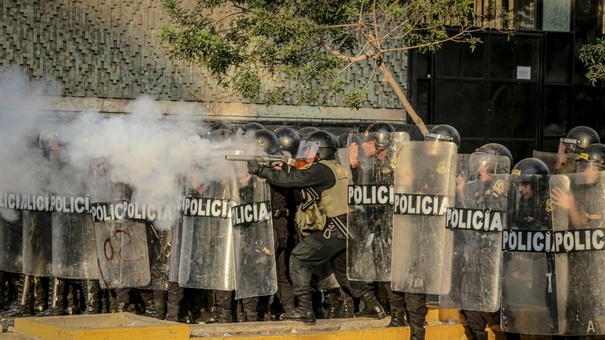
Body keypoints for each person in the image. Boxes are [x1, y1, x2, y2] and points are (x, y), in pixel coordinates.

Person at [247, 130, 386, 325]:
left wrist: (261, 171)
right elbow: (297, 176)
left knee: (298, 258)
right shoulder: (333, 167)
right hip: (350, 226)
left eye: (311, 149)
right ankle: (373, 306)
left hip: (339, 226)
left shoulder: (322, 169)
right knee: (343, 271)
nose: (307, 153)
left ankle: (305, 309)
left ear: (320, 151)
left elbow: (291, 181)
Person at [453, 142, 512, 340]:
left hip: (494, 257)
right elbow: (473, 217)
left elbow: (499, 216)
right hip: (477, 253)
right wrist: (461, 190)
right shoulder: (480, 187)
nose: (479, 169)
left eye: (484, 165)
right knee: (470, 301)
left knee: (494, 303)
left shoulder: (504, 188)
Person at [551, 143, 605, 336]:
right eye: (582, 167)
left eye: (590, 167)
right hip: (576, 263)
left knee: (586, 319)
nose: (584, 172)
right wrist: (560, 161)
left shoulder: (601, 193)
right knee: (568, 315)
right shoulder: (581, 188)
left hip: (594, 268)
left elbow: (589, 234)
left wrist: (570, 207)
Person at [501, 158, 557, 338]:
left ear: (537, 184)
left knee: (553, 304)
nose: (521, 189)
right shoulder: (523, 202)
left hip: (550, 266)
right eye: (519, 185)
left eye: (525, 184)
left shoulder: (551, 202)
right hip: (530, 264)